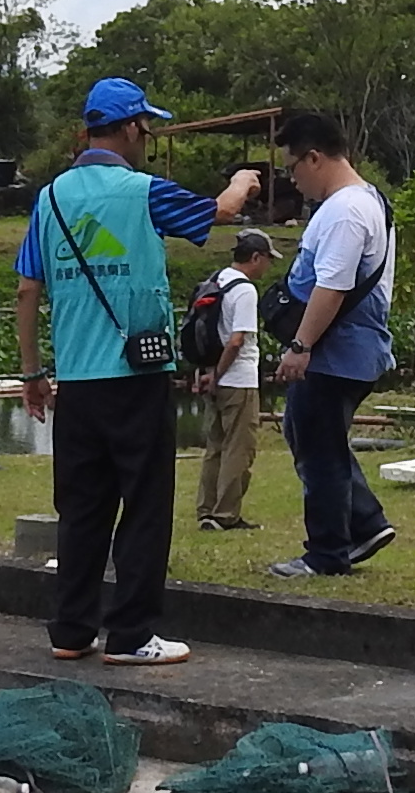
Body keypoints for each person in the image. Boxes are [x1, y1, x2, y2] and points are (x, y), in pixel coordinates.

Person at [18, 77, 266, 658]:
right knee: (146, 504)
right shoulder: (142, 192)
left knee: (81, 509)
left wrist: (33, 373)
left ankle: (71, 630)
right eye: (146, 128)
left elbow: (28, 289)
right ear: (131, 128)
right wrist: (240, 182)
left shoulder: (49, 198)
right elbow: (218, 214)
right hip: (135, 378)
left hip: (76, 381)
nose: (146, 138)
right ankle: (131, 633)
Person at [266, 108, 401, 579]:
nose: (293, 180)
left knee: (318, 448)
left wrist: (300, 346)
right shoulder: (366, 202)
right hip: (345, 348)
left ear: (315, 158)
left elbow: (333, 286)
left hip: (336, 351)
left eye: (292, 167)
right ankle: (365, 522)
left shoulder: (346, 211)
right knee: (310, 436)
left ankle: (326, 552)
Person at [194, 227, 274, 529]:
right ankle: (226, 515)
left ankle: (205, 509)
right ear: (255, 257)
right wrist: (219, 375)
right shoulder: (244, 290)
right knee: (239, 449)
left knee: (215, 446)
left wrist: (205, 373)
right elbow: (237, 340)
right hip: (237, 379)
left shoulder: (216, 281)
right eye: (266, 258)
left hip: (214, 376)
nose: (268, 265)